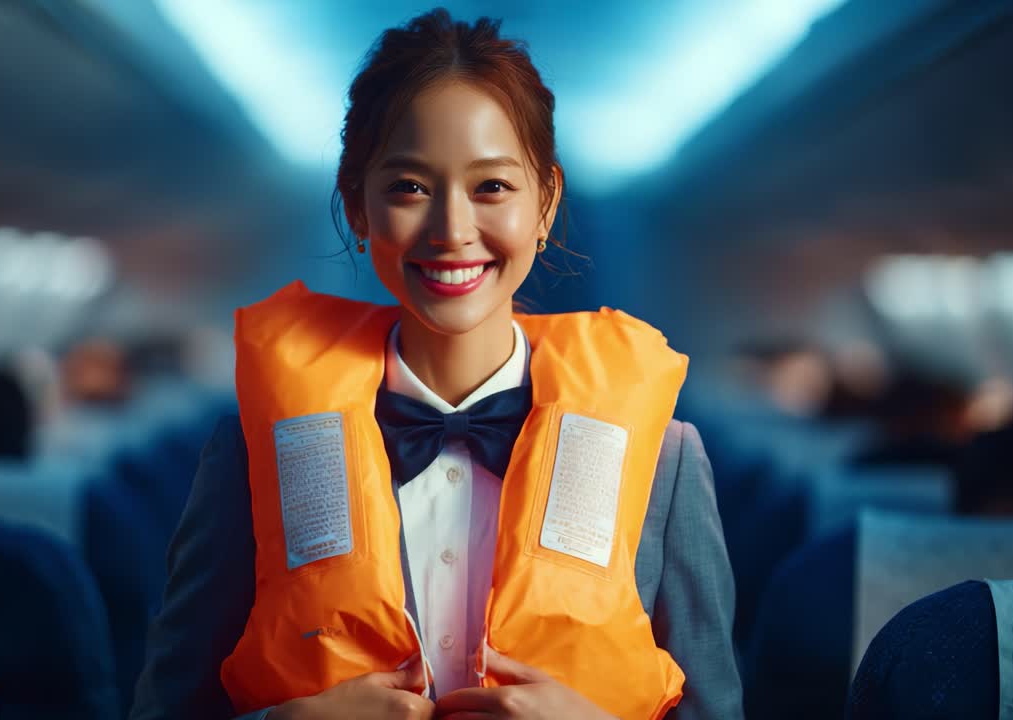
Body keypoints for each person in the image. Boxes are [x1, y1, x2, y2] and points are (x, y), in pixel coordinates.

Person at [130, 9, 741, 720]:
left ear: (545, 203)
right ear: (357, 206)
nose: (452, 231)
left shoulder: (664, 457)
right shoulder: (256, 451)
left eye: (492, 188)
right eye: (409, 187)